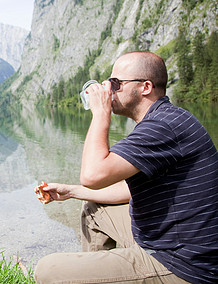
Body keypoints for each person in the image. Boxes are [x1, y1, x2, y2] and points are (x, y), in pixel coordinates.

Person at [34, 51, 218, 283]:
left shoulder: (162, 126)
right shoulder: (163, 119)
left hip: (184, 264)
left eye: (116, 83)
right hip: (162, 240)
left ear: (145, 87)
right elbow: (129, 190)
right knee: (95, 207)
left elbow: (92, 175)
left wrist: (101, 113)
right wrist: (71, 191)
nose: (108, 89)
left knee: (48, 270)